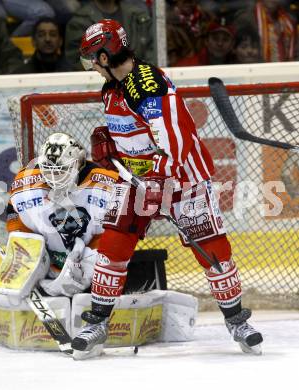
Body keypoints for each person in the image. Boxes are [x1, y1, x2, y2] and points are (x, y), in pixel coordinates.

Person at [71, 19, 263, 359]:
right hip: (136, 178)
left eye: (91, 59)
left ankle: (236, 320)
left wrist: (162, 177)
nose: (90, 67)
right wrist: (113, 145)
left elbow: (175, 139)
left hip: (181, 178)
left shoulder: (145, 85)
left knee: (212, 246)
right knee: (114, 243)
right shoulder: (114, 86)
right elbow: (138, 132)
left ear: (104, 57)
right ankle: (98, 321)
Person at [6, 132, 118, 297]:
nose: (54, 177)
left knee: (98, 261)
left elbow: (114, 233)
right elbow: (13, 215)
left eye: (62, 170)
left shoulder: (106, 184)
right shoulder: (26, 180)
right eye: (49, 170)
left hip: (86, 265)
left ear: (78, 163)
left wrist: (90, 259)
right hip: (46, 265)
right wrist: (22, 247)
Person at [65, 0, 154, 71]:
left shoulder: (138, 16)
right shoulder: (79, 22)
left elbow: (153, 51)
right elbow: (77, 61)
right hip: (98, 83)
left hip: (139, 81)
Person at [166, 0, 213, 67]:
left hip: (207, 67)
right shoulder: (166, 24)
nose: (188, 2)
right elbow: (171, 57)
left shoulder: (207, 17)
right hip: (182, 70)